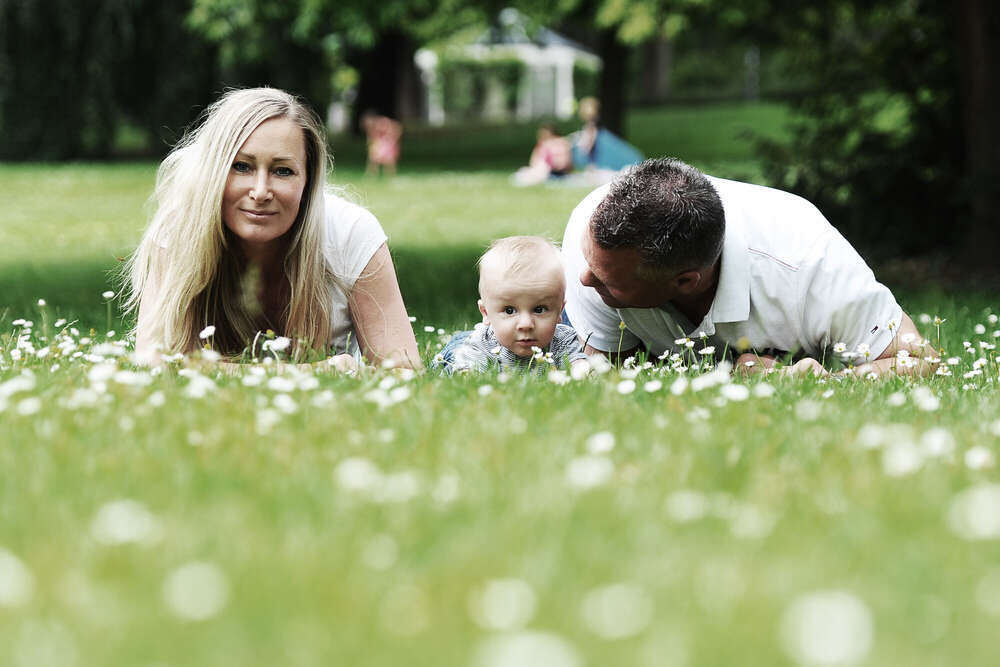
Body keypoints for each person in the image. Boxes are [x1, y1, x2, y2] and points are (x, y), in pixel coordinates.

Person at [125, 87, 420, 370]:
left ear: (308, 181)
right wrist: (316, 372)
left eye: (283, 171)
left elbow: (403, 367)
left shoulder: (350, 233)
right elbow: (154, 361)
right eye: (242, 166)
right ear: (213, 171)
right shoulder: (178, 231)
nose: (261, 191)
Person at [562, 157, 933, 376]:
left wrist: (819, 386)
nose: (583, 278)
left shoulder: (809, 260)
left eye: (608, 281)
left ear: (686, 280)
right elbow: (609, 378)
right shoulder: (592, 236)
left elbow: (920, 360)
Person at [438, 236, 589, 374]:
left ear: (559, 312)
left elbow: (582, 371)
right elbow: (467, 382)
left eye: (539, 309)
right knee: (453, 360)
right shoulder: (480, 345)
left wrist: (584, 372)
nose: (526, 324)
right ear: (485, 313)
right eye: (509, 310)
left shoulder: (563, 340)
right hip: (464, 345)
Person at [361, 111, 402, 177]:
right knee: (373, 159)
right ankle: (372, 174)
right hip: (381, 144)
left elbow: (396, 129)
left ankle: (390, 175)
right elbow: (372, 138)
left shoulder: (382, 122)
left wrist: (391, 139)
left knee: (389, 161)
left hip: (387, 144)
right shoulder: (372, 127)